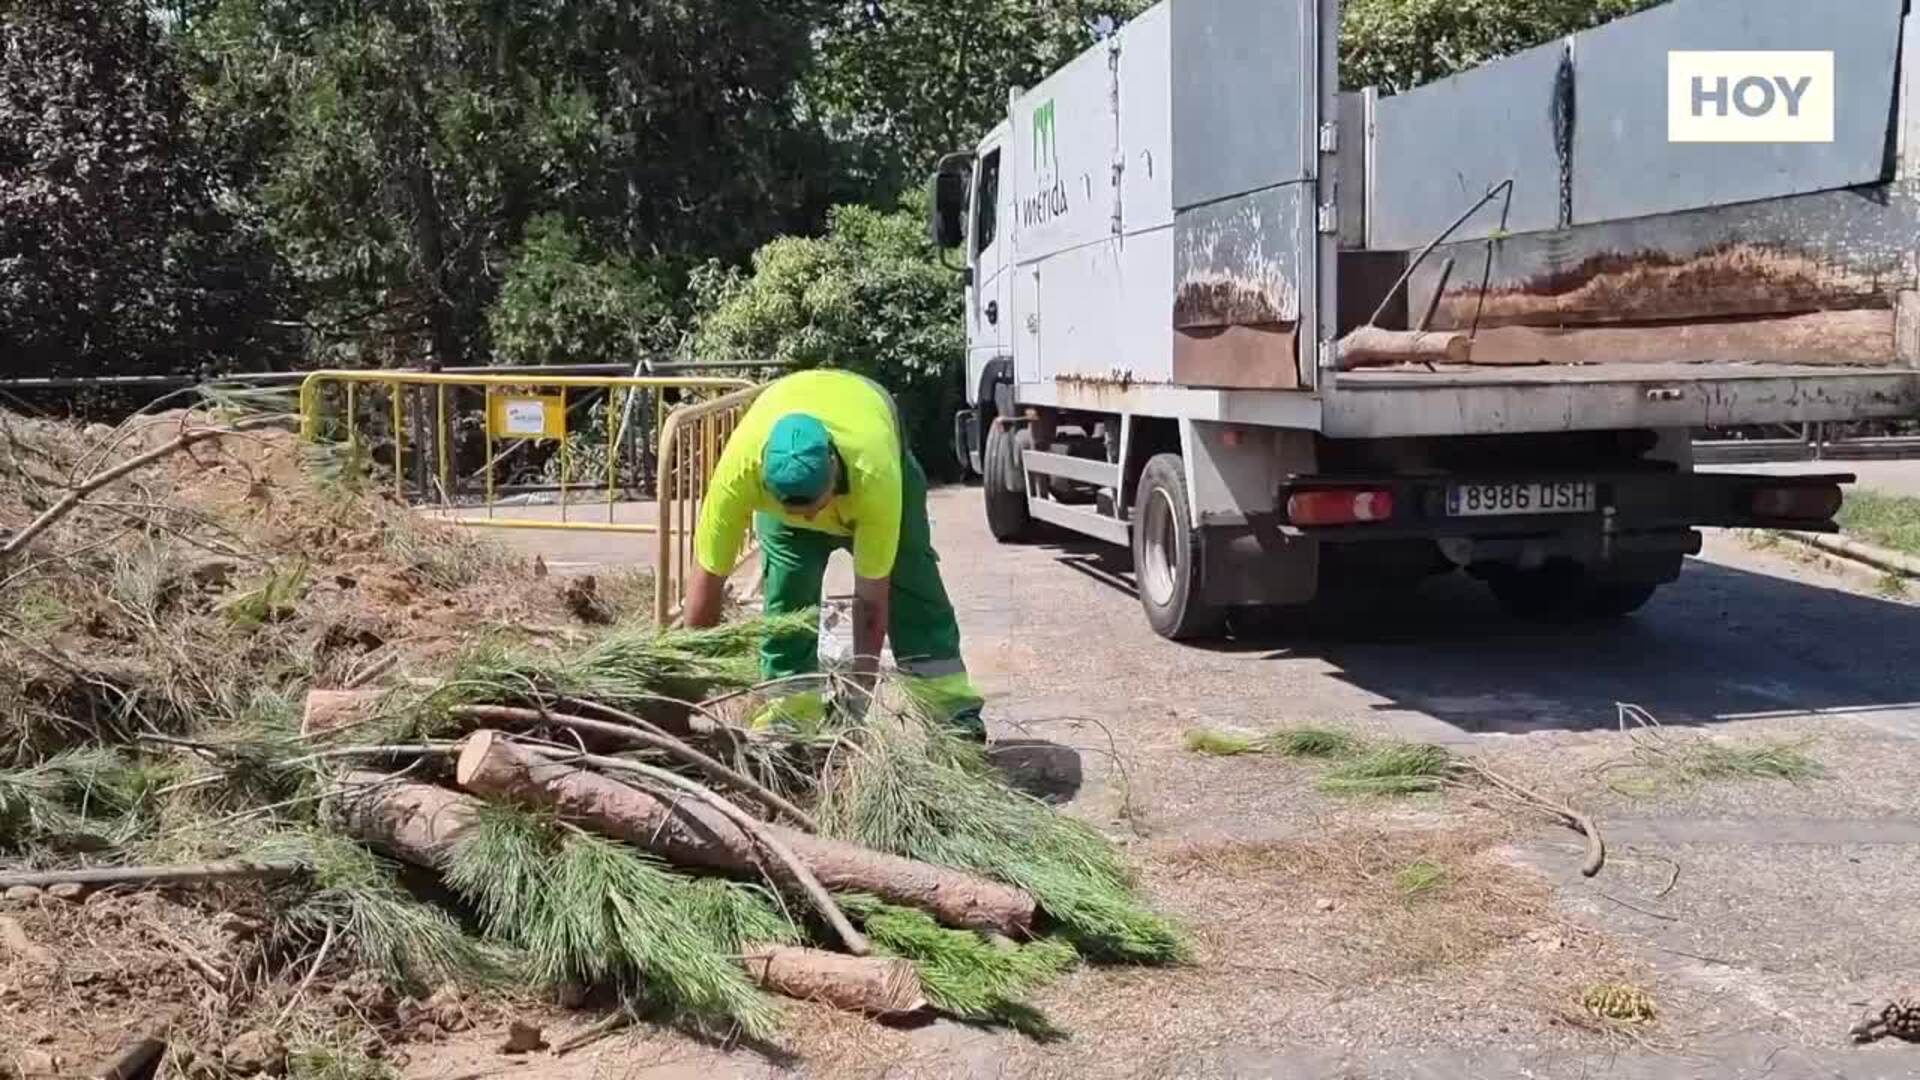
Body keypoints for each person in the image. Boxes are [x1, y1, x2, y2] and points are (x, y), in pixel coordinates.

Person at [681, 369, 986, 739]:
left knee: (912, 590)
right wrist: (688, 682)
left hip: (871, 438)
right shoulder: (738, 474)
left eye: (813, 504)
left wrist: (859, 701)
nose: (809, 517)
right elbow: (707, 577)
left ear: (832, 465)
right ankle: (788, 716)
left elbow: (872, 600)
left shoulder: (874, 474)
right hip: (788, 468)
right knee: (787, 604)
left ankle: (951, 716)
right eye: (795, 509)